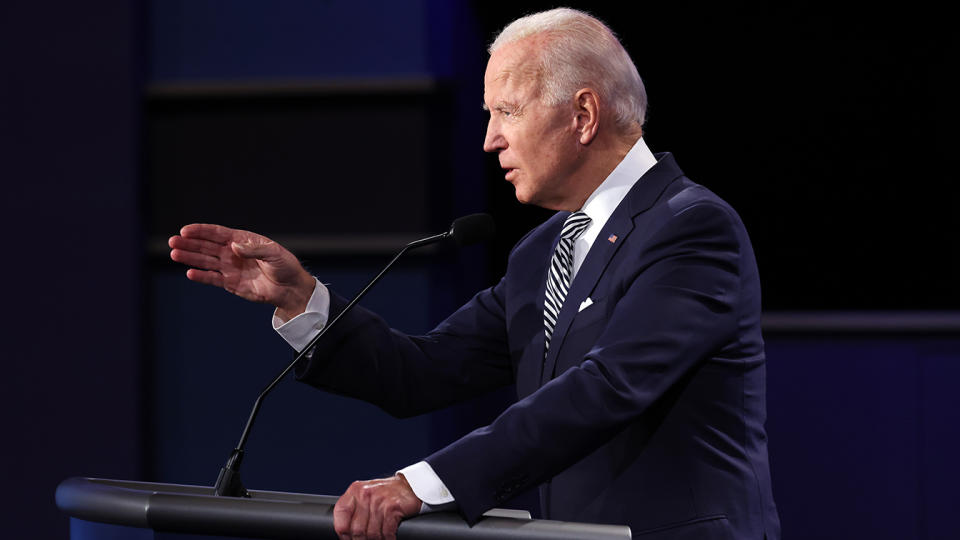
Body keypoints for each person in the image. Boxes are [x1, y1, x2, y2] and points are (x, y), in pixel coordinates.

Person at [169, 8, 779, 540]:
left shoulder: (692, 229)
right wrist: (302, 300)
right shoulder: (543, 252)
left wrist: (424, 485)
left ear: (584, 114)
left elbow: (608, 386)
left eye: (507, 111)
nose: (490, 140)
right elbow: (423, 372)